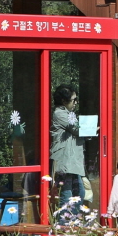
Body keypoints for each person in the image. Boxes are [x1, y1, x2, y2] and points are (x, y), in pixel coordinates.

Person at [50, 86, 86, 220]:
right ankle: (64, 226)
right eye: (73, 100)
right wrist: (92, 128)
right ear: (64, 101)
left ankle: (73, 223)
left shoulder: (68, 114)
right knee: (67, 195)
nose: (76, 103)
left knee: (79, 192)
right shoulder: (60, 113)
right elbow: (77, 129)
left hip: (72, 161)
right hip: (65, 160)